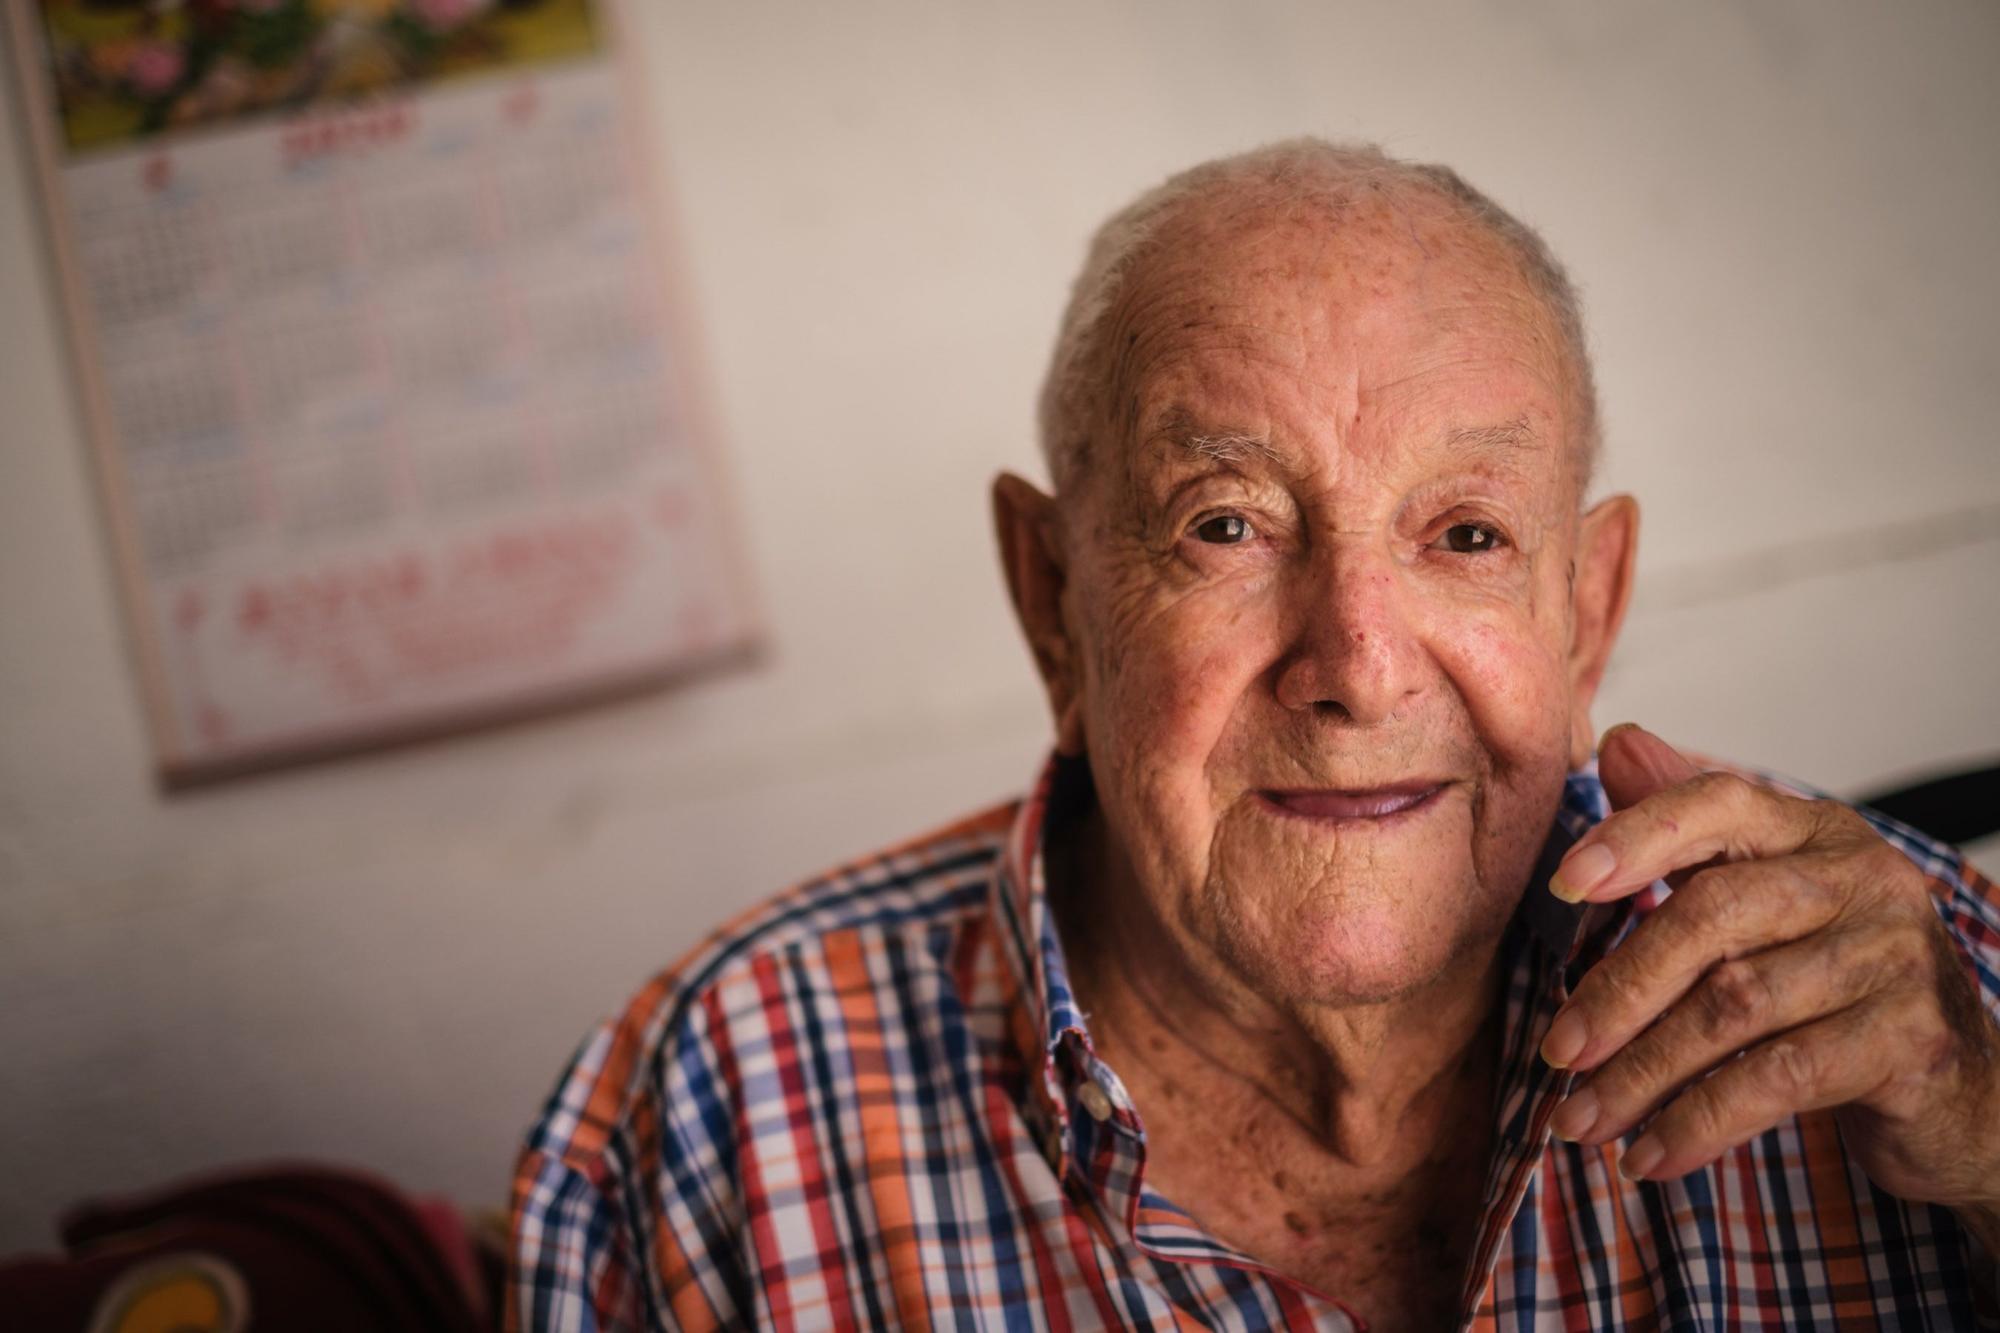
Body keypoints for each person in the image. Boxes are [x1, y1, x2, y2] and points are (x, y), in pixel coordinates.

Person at [507, 140, 2000, 1331]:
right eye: (1226, 525)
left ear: (1586, 609)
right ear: (1052, 602)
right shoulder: (706, 1111)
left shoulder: (1923, 987)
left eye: (1467, 532)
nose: (1356, 665)